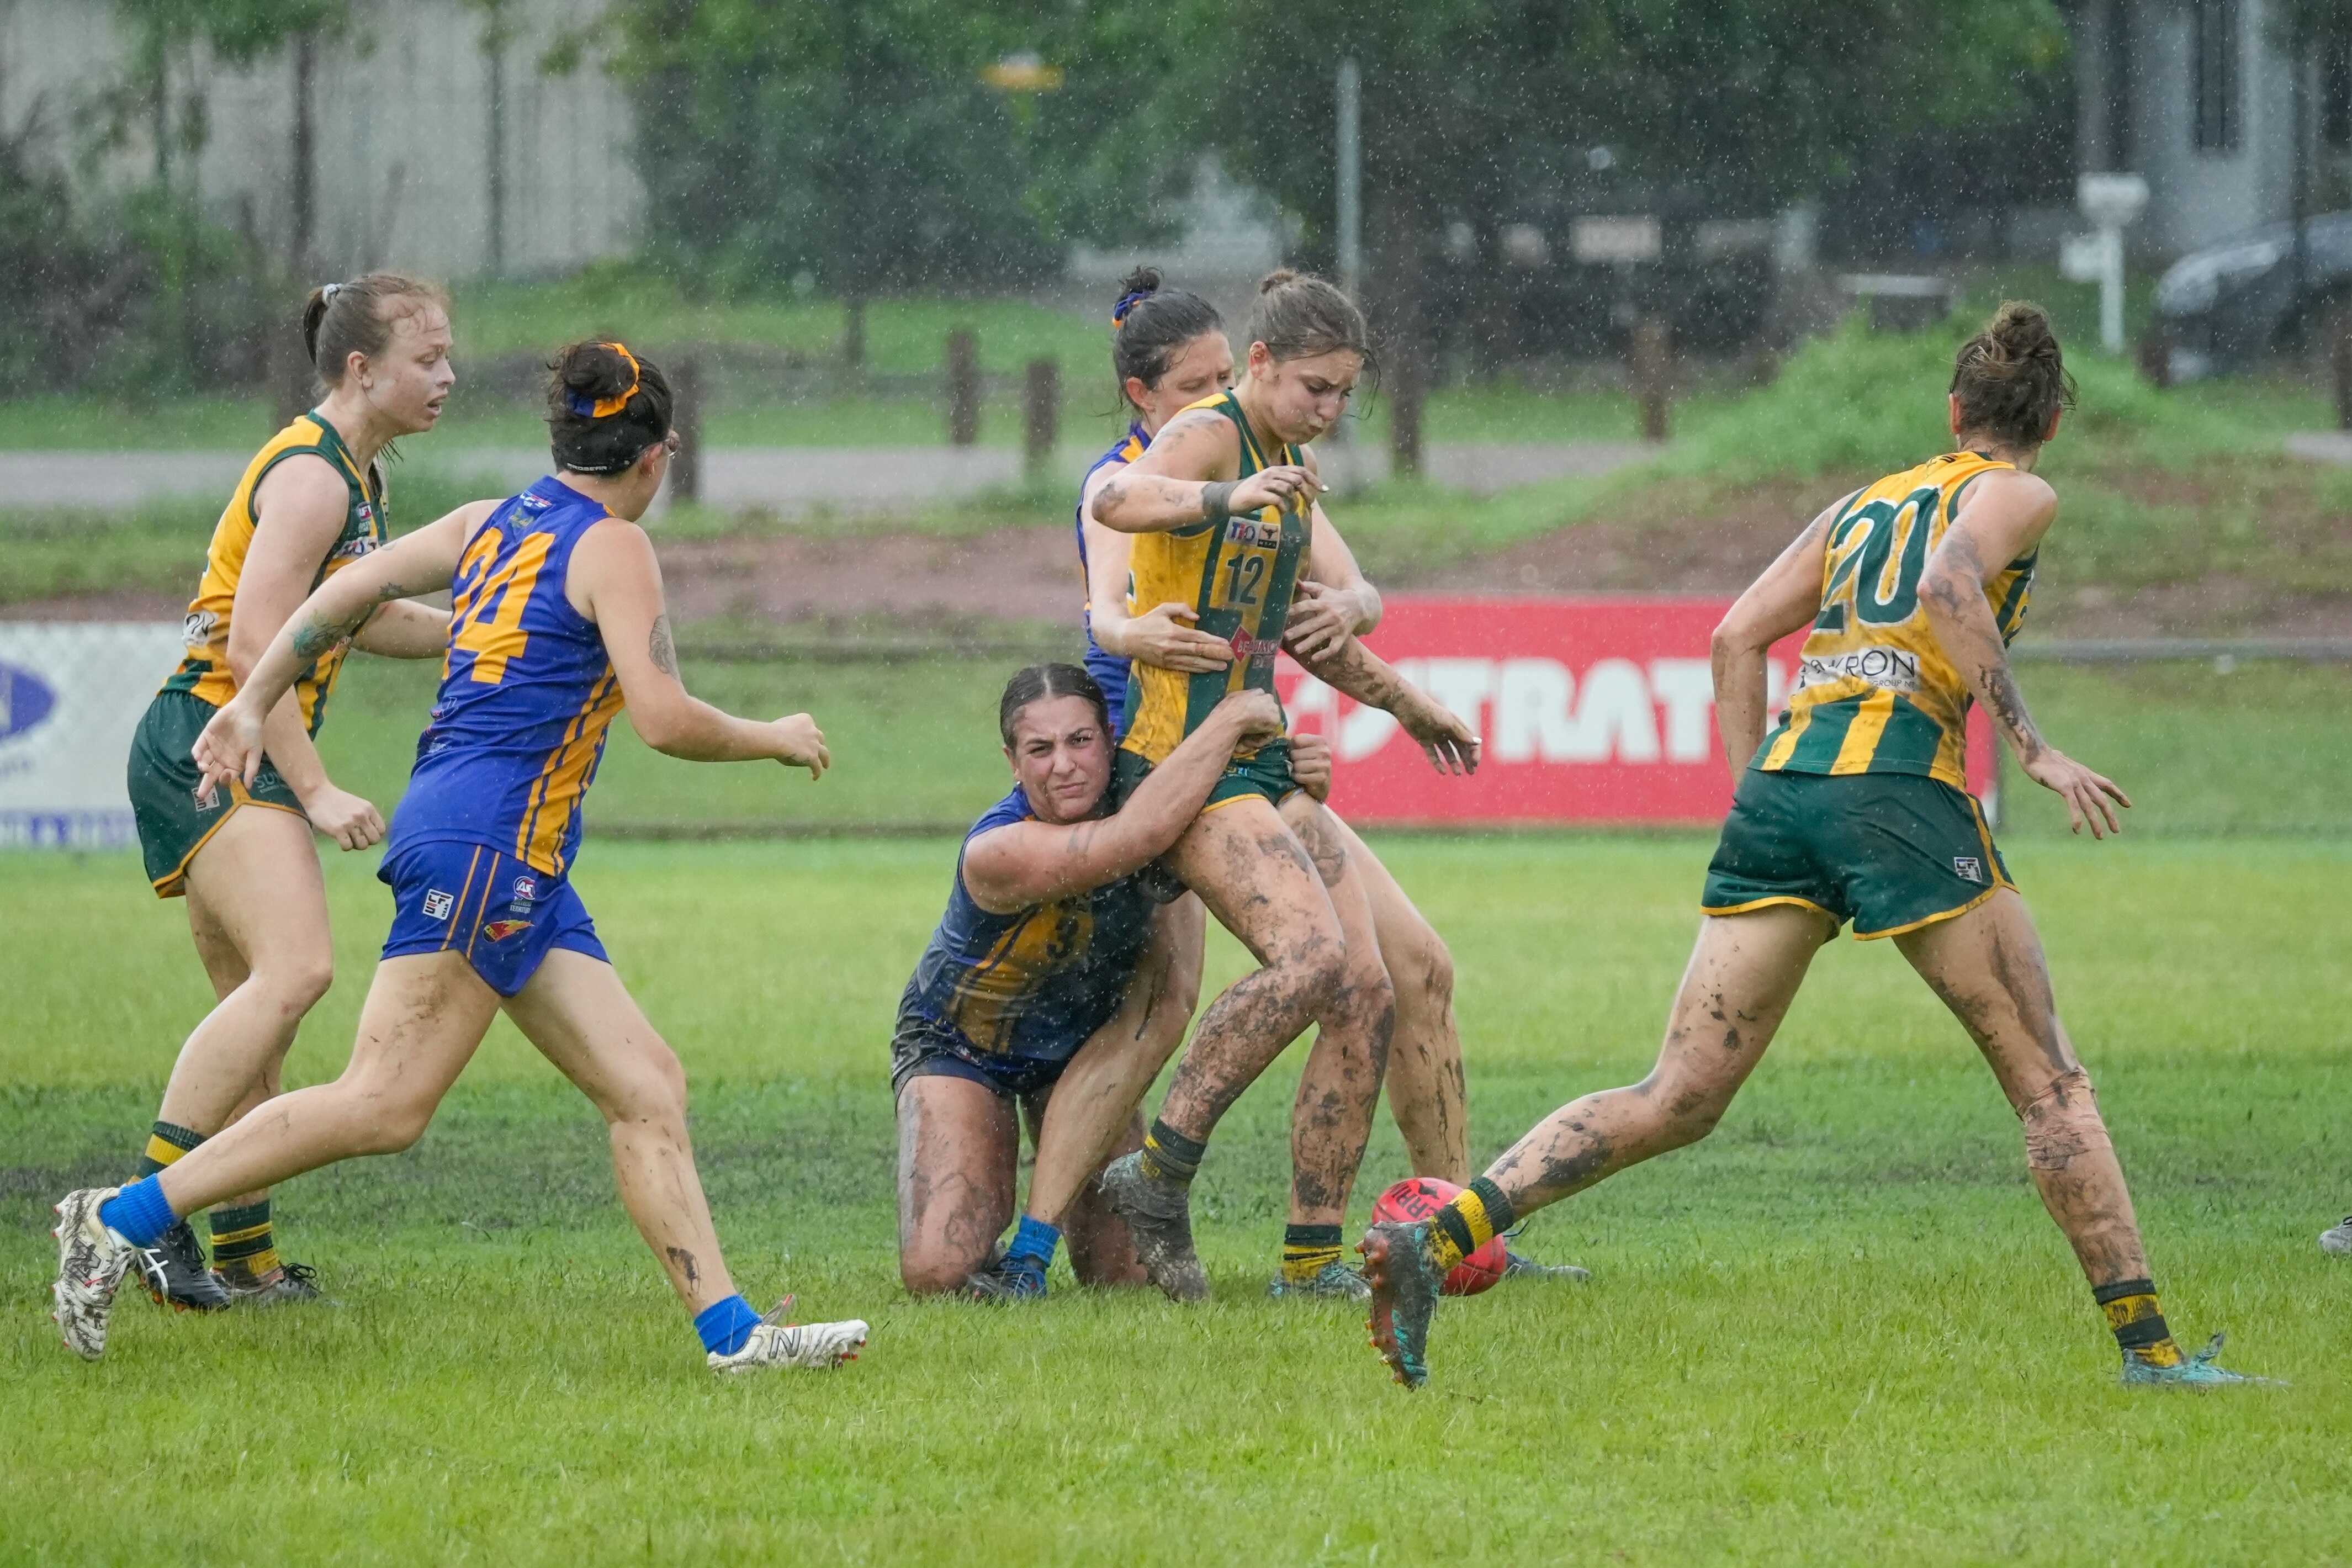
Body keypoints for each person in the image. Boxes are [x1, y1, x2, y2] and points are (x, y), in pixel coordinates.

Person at [1357, 302, 2257, 1389]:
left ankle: (1435, 1237)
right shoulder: (2020, 491)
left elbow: (1734, 635)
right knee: (2051, 1088)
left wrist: (1759, 803)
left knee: (1676, 1095)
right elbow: (1948, 583)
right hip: (1898, 792)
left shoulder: (1861, 502)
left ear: (1953, 410)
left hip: (1786, 793)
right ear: (2052, 423)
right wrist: (2032, 745)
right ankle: (2153, 1354)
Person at [51, 341, 870, 1376]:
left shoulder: (491, 520)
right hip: (491, 846)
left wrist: (252, 701)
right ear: (657, 454)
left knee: (646, 1084)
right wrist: (773, 736)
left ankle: (735, 1338)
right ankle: (119, 1218)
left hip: (502, 847)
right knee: (382, 1102)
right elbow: (662, 718)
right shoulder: (615, 546)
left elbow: (337, 596)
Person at [1018, 266, 1581, 1300]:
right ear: (1260, 365)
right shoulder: (1207, 439)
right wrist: (1219, 500)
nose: (1329, 410)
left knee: (1378, 987)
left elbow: (1314, 617)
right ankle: (1146, 1180)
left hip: (1255, 753)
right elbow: (1110, 497)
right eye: (1315, 388)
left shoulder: (1286, 461)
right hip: (1179, 760)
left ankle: (1325, 1258)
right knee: (1283, 970)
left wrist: (1407, 701)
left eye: (1345, 395)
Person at [119, 274, 458, 1311]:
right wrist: (315, 791)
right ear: (361, 369)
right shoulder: (314, 479)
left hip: (221, 739)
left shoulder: (357, 473)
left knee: (257, 1017)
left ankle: (244, 1261)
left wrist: (481, 639)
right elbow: (255, 645)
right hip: (213, 739)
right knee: (298, 972)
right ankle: (136, 1216)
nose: (448, 376)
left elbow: (354, 616)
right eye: (427, 359)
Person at [894, 665, 1329, 1297]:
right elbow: (1131, 838)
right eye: (1039, 749)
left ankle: (1028, 1248)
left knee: (1124, 1277)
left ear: (1110, 740)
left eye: (1081, 740)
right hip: (962, 1048)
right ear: (1012, 762)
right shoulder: (998, 850)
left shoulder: (1165, 822)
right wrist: (1232, 716)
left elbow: (1167, 1004)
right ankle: (984, 1188)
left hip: (1083, 1049)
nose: (1063, 765)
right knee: (939, 1272)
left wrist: (1296, 786)